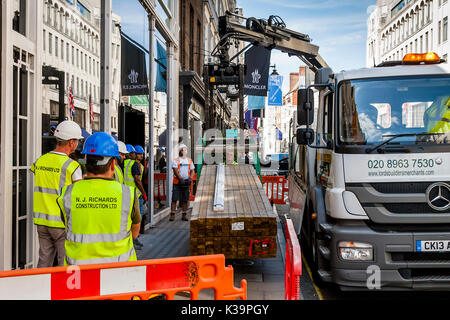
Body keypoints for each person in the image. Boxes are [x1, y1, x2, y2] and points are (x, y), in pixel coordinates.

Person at [56, 132, 141, 265]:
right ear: (113, 164)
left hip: (78, 274)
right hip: (119, 271)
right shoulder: (128, 195)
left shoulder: (68, 193)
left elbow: (66, 225)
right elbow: (134, 234)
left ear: (86, 162)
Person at [31, 120, 83, 267]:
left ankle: (40, 288)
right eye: (77, 141)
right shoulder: (72, 166)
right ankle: (60, 290)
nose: (77, 144)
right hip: (61, 223)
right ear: (71, 142)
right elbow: (78, 193)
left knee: (44, 260)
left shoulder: (40, 161)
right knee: (64, 263)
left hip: (41, 221)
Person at [123, 144, 147, 249]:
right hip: (135, 194)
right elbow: (137, 180)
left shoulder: (122, 164)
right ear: (132, 154)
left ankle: (132, 239)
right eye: (138, 153)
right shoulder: (134, 164)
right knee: (137, 217)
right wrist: (144, 193)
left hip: (124, 193)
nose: (141, 155)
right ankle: (133, 239)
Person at [170, 144, 195, 222]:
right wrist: (180, 178)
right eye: (182, 150)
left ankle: (184, 215)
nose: (184, 151)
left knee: (185, 199)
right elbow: (175, 170)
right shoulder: (176, 160)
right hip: (177, 182)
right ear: (180, 151)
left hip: (186, 182)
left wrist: (190, 178)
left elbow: (192, 171)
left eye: (185, 150)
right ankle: (172, 215)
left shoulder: (189, 160)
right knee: (174, 199)